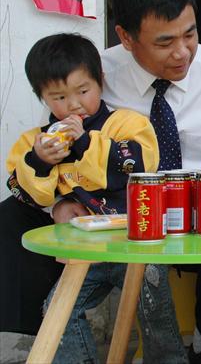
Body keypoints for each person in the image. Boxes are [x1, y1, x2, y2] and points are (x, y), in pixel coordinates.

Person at [0, 0, 201, 363]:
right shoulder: (92, 74)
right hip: (116, 210)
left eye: (190, 34)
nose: (182, 52)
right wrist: (58, 203)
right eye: (165, 42)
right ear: (126, 38)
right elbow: (57, 135)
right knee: (11, 215)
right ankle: (34, 342)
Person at [4, 32, 175, 363]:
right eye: (58, 97)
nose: (73, 105)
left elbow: (141, 163)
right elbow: (24, 193)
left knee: (155, 314)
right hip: (85, 253)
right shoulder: (38, 141)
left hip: (137, 245)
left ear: (101, 81)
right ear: (41, 97)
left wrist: (86, 143)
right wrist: (40, 161)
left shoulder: (125, 123)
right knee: (59, 310)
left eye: (83, 91)